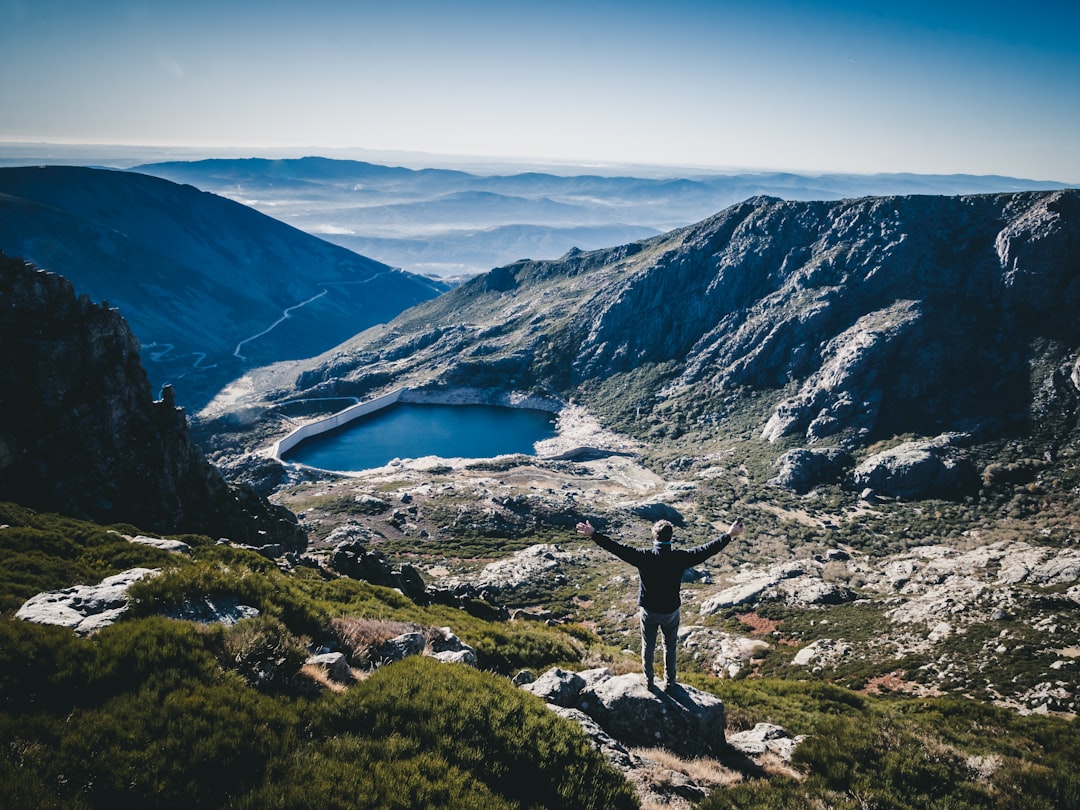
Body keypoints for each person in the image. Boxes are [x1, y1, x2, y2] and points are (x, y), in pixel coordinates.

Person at [576, 517, 744, 690]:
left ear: (653, 536)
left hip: (649, 611)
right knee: (670, 647)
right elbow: (706, 550)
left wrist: (594, 534)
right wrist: (729, 535)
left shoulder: (643, 556)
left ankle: (649, 681)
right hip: (670, 611)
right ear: (671, 537)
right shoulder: (680, 557)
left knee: (648, 646)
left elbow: (616, 548)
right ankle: (670, 682)